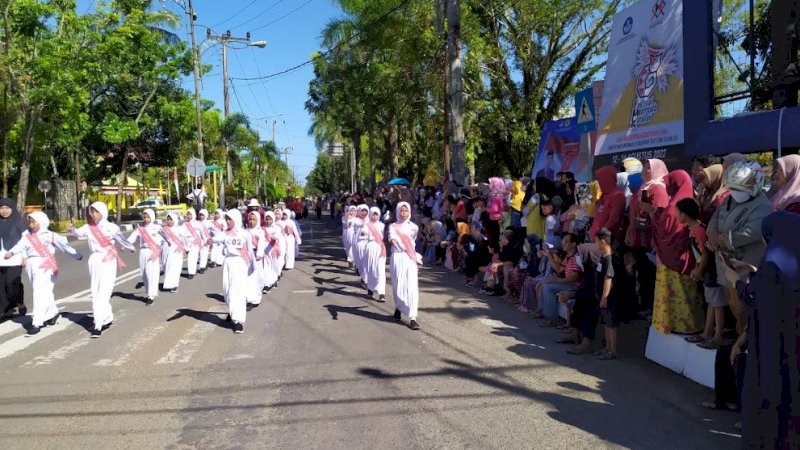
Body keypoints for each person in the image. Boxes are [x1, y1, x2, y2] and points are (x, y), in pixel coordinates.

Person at [732, 211, 800, 449]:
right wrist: (753, 272)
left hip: (771, 349)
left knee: (769, 397)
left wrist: (739, 280)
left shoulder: (771, 266)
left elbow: (753, 297)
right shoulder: (789, 261)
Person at [707, 160, 773, 335]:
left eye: (740, 188)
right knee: (731, 301)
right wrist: (712, 233)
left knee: (743, 303)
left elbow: (753, 231)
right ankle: (740, 333)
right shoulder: (729, 200)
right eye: (733, 188)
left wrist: (724, 239)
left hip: (745, 263)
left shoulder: (762, 205)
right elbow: (716, 217)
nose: (735, 192)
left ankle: (745, 337)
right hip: (726, 263)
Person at [646, 170, 704, 335]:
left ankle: (677, 326)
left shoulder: (674, 206)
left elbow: (664, 230)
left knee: (674, 295)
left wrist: (652, 215)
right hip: (689, 258)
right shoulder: (691, 202)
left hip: (672, 260)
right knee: (689, 295)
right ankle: (693, 325)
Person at [4, 211, 81, 334]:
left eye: (33, 221)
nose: (30, 224)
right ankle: (52, 314)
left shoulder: (49, 235)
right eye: (29, 221)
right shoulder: (27, 235)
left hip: (46, 264)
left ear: (41, 222)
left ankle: (37, 322)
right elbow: (20, 246)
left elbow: (64, 246)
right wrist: (12, 252)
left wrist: (76, 255)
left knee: (39, 292)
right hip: (32, 264)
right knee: (44, 291)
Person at [69, 202, 134, 337]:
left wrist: (130, 247)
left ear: (102, 212)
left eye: (95, 211)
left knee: (104, 291)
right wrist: (73, 229)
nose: (93, 214)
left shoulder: (111, 227)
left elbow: (121, 239)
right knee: (96, 291)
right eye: (91, 211)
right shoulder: (88, 227)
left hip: (108, 259)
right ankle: (107, 317)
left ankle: (98, 324)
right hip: (94, 260)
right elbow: (79, 233)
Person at [677, 198, 727, 348]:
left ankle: (717, 335)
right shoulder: (694, 229)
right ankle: (707, 332)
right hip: (707, 270)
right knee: (711, 302)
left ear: (685, 214)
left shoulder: (698, 230)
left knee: (717, 303)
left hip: (711, 270)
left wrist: (699, 270)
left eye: (678, 212)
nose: (676, 215)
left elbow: (705, 253)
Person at [625, 159, 669, 313]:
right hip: (639, 238)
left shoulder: (658, 189)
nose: (644, 170)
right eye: (643, 167)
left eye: (648, 168)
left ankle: (651, 307)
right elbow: (639, 212)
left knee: (650, 275)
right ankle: (645, 305)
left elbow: (659, 215)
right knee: (642, 274)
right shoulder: (644, 188)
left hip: (650, 240)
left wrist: (653, 237)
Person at [212, 209, 254, 334]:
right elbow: (217, 238)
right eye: (226, 219)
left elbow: (250, 250)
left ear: (236, 219)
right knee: (227, 291)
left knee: (238, 291)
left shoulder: (245, 234)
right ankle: (232, 311)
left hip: (240, 263)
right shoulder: (225, 233)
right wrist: (210, 239)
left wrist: (252, 266)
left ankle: (239, 321)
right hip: (228, 263)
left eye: (229, 219)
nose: (228, 221)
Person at [389, 202, 422, 330]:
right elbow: (392, 238)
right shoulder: (393, 226)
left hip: (410, 258)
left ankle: (412, 317)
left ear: (409, 212)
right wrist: (394, 241)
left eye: (406, 211)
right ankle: (398, 307)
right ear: (398, 211)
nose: (403, 214)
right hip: (397, 257)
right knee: (398, 285)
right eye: (401, 211)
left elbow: (413, 241)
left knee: (412, 286)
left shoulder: (414, 227)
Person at [126, 209, 163, 304]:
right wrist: (127, 245)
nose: (146, 219)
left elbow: (163, 238)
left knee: (152, 274)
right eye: (144, 217)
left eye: (148, 217)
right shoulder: (140, 228)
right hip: (143, 252)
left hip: (153, 251)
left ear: (152, 217)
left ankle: (151, 295)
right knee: (144, 274)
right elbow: (132, 237)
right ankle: (147, 292)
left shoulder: (157, 227)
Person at [593, 228, 620, 360]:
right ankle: (607, 347)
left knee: (610, 323)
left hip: (609, 297)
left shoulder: (610, 259)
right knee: (605, 322)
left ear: (603, 241)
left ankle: (612, 350)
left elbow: (608, 278)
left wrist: (604, 297)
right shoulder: (602, 258)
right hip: (601, 296)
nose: (595, 244)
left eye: (596, 241)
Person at [0, 197, 26, 320]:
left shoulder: (18, 221)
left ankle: (19, 300)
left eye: (7, 208)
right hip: (0, 258)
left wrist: (25, 256)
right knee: (1, 285)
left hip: (15, 258)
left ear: (12, 209)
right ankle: (6, 309)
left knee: (11, 283)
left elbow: (26, 240)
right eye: (1, 208)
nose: (4, 211)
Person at [588, 165, 626, 242]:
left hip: (605, 238)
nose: (599, 183)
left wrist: (600, 234)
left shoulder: (617, 195)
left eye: (600, 180)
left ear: (607, 179)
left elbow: (614, 219)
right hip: (595, 237)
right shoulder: (604, 194)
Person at [364, 207, 387, 302]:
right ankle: (370, 288)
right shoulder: (366, 225)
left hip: (380, 247)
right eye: (373, 214)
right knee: (371, 269)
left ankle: (382, 293)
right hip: (370, 247)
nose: (375, 216)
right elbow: (363, 234)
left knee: (380, 270)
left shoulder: (382, 225)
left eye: (376, 214)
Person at [159, 212, 185, 293]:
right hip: (165, 250)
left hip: (176, 251)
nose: (169, 221)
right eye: (168, 219)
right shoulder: (163, 229)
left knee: (174, 268)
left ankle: (174, 285)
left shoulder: (179, 229)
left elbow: (184, 239)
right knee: (166, 266)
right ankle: (168, 284)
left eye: (171, 219)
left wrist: (185, 248)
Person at [196, 209, 213, 273]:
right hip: (199, 241)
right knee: (200, 254)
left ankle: (202, 267)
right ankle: (203, 265)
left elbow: (214, 231)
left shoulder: (209, 223)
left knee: (204, 253)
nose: (201, 216)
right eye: (200, 215)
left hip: (206, 240)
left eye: (202, 215)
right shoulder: (197, 223)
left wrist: (211, 239)